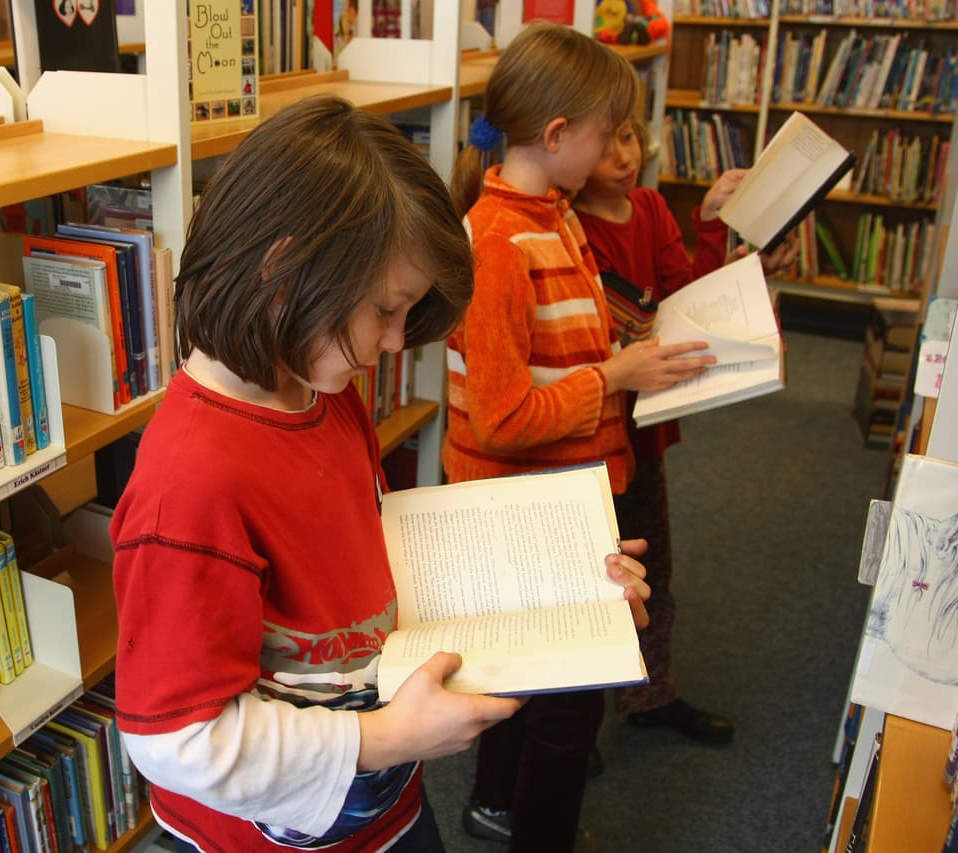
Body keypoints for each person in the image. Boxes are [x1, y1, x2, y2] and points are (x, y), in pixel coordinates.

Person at [109, 94, 655, 853]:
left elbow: (379, 552)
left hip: (385, 798)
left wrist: (564, 584)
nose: (397, 342)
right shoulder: (190, 484)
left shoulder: (317, 386)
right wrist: (381, 738)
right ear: (282, 268)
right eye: (385, 309)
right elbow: (176, 740)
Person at [446, 22, 713, 852]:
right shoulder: (497, 242)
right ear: (559, 137)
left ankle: (495, 804)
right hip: (530, 511)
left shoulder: (554, 216)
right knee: (567, 707)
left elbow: (577, 346)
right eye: (607, 133)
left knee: (530, 686)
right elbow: (501, 418)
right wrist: (616, 379)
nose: (620, 150)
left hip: (568, 494)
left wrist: (621, 367)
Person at [572, 115, 800, 749]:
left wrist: (712, 227)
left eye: (631, 137)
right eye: (608, 139)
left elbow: (683, 296)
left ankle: (650, 692)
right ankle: (573, 720)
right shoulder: (572, 228)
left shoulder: (647, 207)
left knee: (656, 566)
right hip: (591, 432)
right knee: (594, 574)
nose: (625, 154)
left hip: (643, 431)